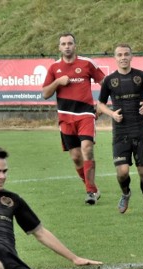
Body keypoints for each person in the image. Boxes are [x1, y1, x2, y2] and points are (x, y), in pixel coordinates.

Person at [42, 32, 106, 205]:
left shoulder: (87, 63)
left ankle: (90, 192)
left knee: (87, 148)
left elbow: (105, 83)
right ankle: (91, 186)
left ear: (75, 45)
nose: (67, 46)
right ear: (59, 47)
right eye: (63, 44)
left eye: (70, 43)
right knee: (76, 157)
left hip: (85, 115)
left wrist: (101, 105)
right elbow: (45, 94)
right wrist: (57, 83)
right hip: (65, 117)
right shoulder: (54, 68)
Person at [97, 43, 143, 216]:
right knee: (122, 172)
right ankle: (126, 193)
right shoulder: (109, 80)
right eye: (120, 54)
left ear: (131, 57)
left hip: (140, 129)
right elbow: (99, 104)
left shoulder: (141, 76)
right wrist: (111, 114)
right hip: (120, 131)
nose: (123, 57)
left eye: (126, 54)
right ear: (115, 58)